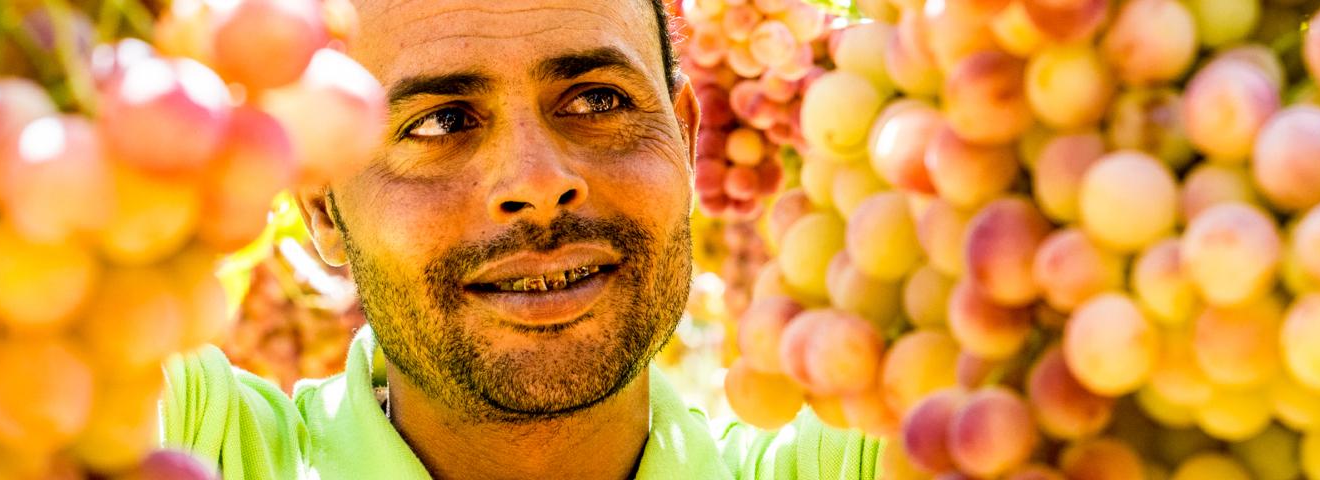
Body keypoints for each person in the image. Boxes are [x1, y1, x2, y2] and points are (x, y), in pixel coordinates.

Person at [159, 1, 884, 478]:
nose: (537, 182)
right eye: (441, 121)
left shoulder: (869, 447)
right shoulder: (193, 442)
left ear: (687, 141)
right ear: (322, 206)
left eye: (599, 100)